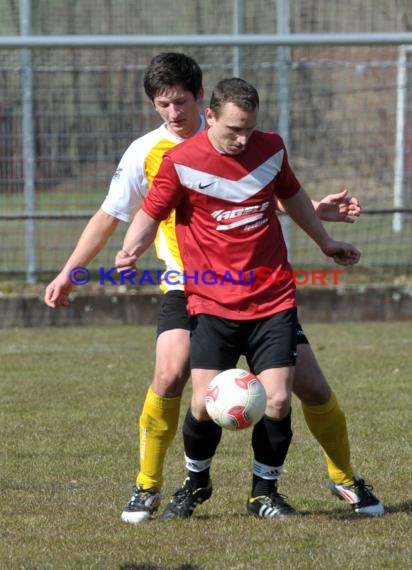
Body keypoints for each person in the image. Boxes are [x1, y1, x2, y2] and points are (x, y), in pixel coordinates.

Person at [44, 53, 384, 523]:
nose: (171, 112)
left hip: (263, 291)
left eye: (179, 101)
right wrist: (78, 269)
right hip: (190, 285)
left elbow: (256, 197)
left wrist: (319, 224)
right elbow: (113, 216)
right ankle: (153, 485)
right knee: (173, 376)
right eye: (163, 104)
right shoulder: (154, 154)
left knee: (307, 388)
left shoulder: (258, 147)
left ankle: (338, 478)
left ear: (202, 99)